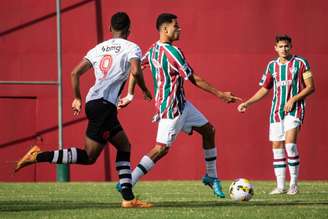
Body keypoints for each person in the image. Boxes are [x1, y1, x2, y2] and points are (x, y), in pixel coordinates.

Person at [15, 12, 153, 208]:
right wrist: (145, 90)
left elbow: (74, 73)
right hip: (104, 106)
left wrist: (77, 98)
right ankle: (37, 156)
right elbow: (136, 70)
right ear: (129, 30)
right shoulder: (132, 47)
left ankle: (128, 198)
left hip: (94, 103)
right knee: (89, 156)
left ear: (109, 28)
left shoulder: (98, 48)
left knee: (124, 146)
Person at [118, 13, 241, 198]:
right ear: (165, 29)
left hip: (183, 104)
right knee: (161, 148)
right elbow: (193, 78)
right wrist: (221, 94)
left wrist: (129, 94)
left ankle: (211, 176)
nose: (179, 29)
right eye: (176, 26)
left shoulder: (152, 50)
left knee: (209, 131)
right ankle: (129, 181)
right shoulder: (173, 52)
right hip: (171, 109)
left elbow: (135, 70)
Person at [237, 35, 315, 195]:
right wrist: (247, 103)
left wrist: (293, 99)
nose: (284, 49)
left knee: (290, 145)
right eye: (280, 46)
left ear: (291, 46)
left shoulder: (300, 63)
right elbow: (265, 89)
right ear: (275, 48)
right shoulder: (272, 66)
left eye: (286, 46)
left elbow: (311, 87)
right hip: (276, 111)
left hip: (295, 109)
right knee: (277, 147)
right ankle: (280, 186)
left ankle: (293, 184)